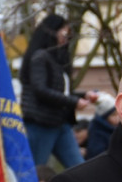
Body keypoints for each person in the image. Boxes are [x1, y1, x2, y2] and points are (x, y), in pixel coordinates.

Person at [20, 14, 97, 169]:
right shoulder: (40, 58)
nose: (66, 38)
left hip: (60, 123)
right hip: (41, 124)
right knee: (35, 171)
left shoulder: (55, 60)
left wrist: (82, 96)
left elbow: (62, 93)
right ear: (52, 32)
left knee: (79, 169)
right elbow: (41, 90)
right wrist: (74, 102)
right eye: (64, 33)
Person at [86, 93, 118, 158]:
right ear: (104, 118)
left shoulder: (116, 128)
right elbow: (96, 153)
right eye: (113, 115)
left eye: (118, 114)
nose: (118, 118)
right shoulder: (97, 132)